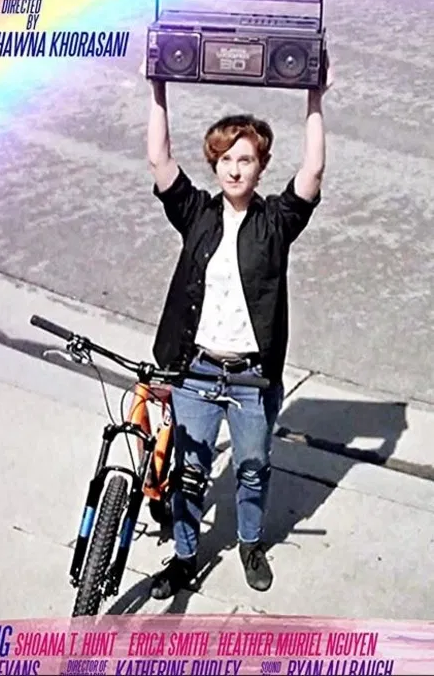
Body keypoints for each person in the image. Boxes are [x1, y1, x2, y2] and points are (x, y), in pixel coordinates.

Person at [142, 59, 333, 600]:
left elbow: (313, 172)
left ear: (260, 166)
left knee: (252, 469)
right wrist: (158, 84)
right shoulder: (196, 215)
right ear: (215, 164)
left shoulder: (276, 222)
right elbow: (159, 158)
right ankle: (184, 558)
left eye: (245, 159)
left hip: (251, 379)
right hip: (197, 371)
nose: (234, 170)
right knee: (189, 473)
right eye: (226, 159)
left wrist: (315, 97)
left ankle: (250, 544)